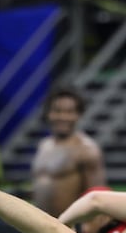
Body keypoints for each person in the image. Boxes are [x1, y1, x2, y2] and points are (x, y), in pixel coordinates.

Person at [30, 86, 105, 217]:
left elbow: (98, 197)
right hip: (39, 227)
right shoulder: (44, 145)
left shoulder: (86, 150)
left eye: (69, 111)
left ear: (78, 115)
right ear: (48, 113)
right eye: (57, 111)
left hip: (69, 229)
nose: (62, 116)